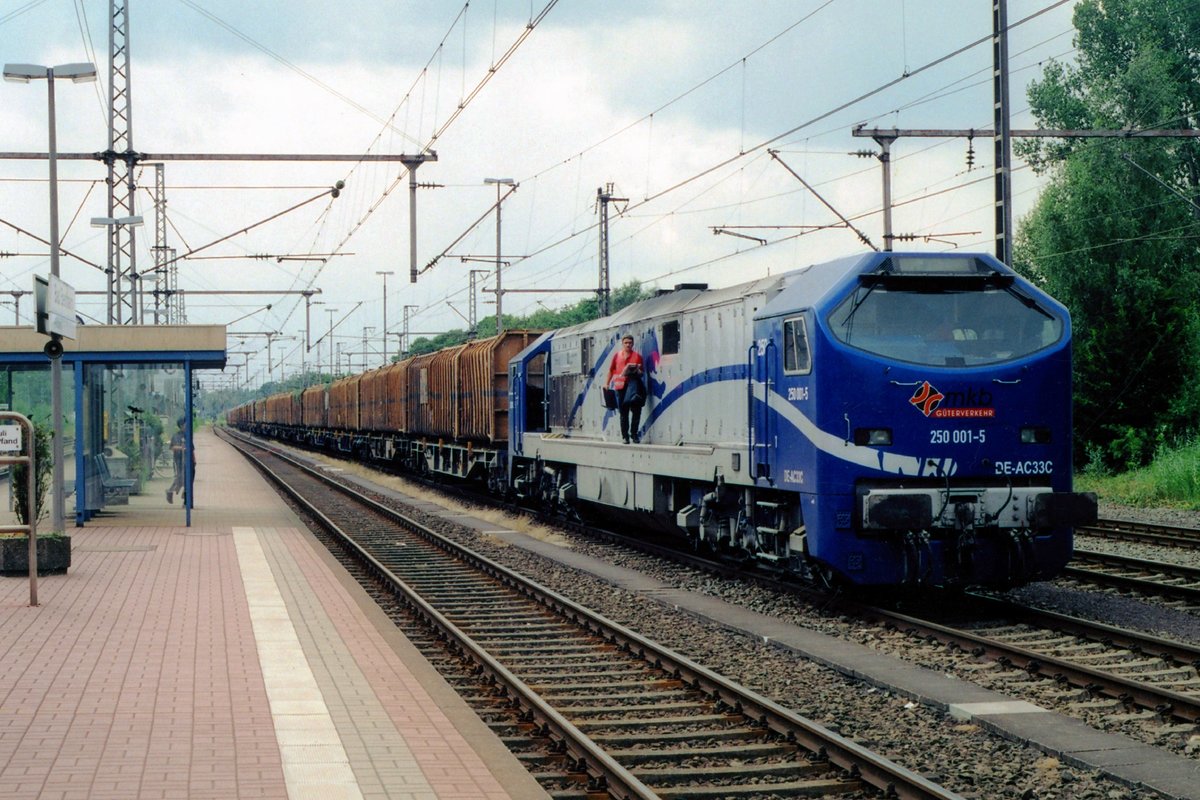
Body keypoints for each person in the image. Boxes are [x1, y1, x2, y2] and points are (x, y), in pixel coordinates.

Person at [606, 333, 645, 443]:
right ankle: (625, 436)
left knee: (636, 411)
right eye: (626, 343)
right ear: (622, 344)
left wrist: (638, 371)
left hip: (634, 387)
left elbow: (642, 372)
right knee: (623, 413)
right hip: (620, 387)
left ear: (633, 344)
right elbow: (611, 370)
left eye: (630, 343)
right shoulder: (617, 356)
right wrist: (607, 383)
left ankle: (634, 434)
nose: (628, 345)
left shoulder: (638, 356)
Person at [166, 417, 191, 504]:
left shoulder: (188, 435)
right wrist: (181, 448)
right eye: (185, 424)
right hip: (179, 459)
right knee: (180, 477)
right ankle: (171, 491)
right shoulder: (176, 436)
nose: (187, 426)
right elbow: (172, 447)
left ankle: (184, 493)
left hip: (187, 460)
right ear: (181, 425)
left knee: (185, 477)